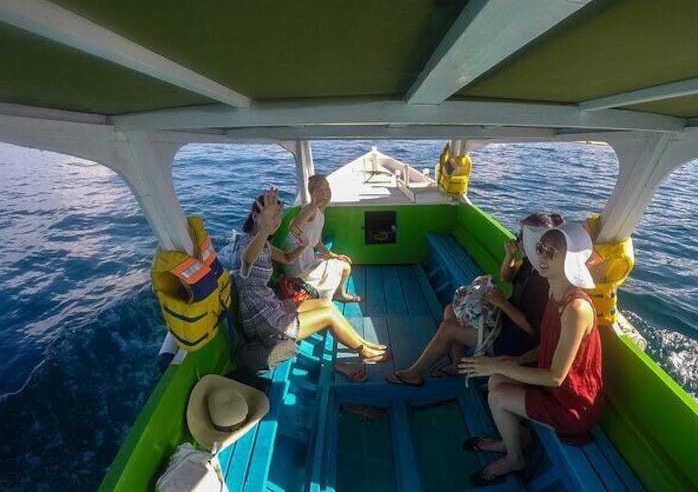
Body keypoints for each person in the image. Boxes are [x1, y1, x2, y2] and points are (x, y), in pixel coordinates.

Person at [458, 221, 603, 487]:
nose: (542, 257)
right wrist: (515, 361)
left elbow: (557, 377)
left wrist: (493, 365)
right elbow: (548, 345)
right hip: (554, 388)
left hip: (571, 405)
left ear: (571, 260)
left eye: (552, 252)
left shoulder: (576, 308)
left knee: (499, 392)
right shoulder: (554, 291)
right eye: (541, 248)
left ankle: (515, 458)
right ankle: (509, 442)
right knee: (496, 378)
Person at [384, 212, 563, 387]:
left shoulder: (542, 281)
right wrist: (510, 254)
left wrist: (501, 302)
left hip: (514, 341)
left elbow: (531, 328)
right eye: (520, 235)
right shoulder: (529, 264)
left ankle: (414, 375)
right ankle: (457, 365)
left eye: (525, 238)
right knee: (450, 310)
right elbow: (506, 277)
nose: (520, 241)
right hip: (505, 323)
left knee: (448, 328)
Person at [235, 189, 391, 372]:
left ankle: (362, 341)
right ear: (255, 216)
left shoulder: (262, 244)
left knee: (326, 303)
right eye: (270, 218)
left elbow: (286, 258)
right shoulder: (245, 246)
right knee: (328, 316)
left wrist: (302, 245)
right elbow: (247, 260)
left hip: (272, 307)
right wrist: (267, 229)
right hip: (264, 323)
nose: (275, 223)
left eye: (277, 219)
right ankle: (364, 352)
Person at [284, 174, 361, 302]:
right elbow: (294, 225)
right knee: (345, 266)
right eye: (320, 189)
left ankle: (337, 293)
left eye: (327, 187)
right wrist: (313, 205)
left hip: (305, 258)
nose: (325, 191)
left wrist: (332, 255)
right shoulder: (310, 209)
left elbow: (317, 242)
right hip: (298, 265)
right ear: (312, 193)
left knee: (341, 262)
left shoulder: (320, 212)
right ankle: (335, 295)